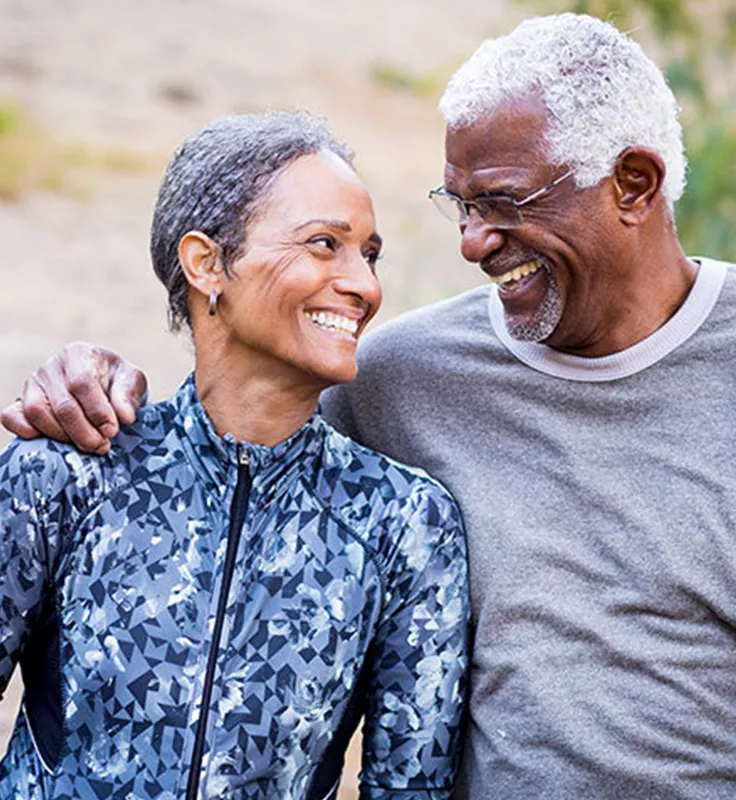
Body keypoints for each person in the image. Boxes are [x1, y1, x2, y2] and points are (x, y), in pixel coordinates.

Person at [5, 11, 736, 799]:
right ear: (206, 264)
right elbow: (237, 438)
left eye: (503, 201)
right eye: (460, 205)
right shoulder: (397, 377)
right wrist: (89, 377)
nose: (470, 242)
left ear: (633, 184)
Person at [0, 111, 470, 799]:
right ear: (207, 263)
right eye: (324, 244)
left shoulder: (404, 525)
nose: (365, 287)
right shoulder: (67, 473)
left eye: (368, 254)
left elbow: (411, 789)